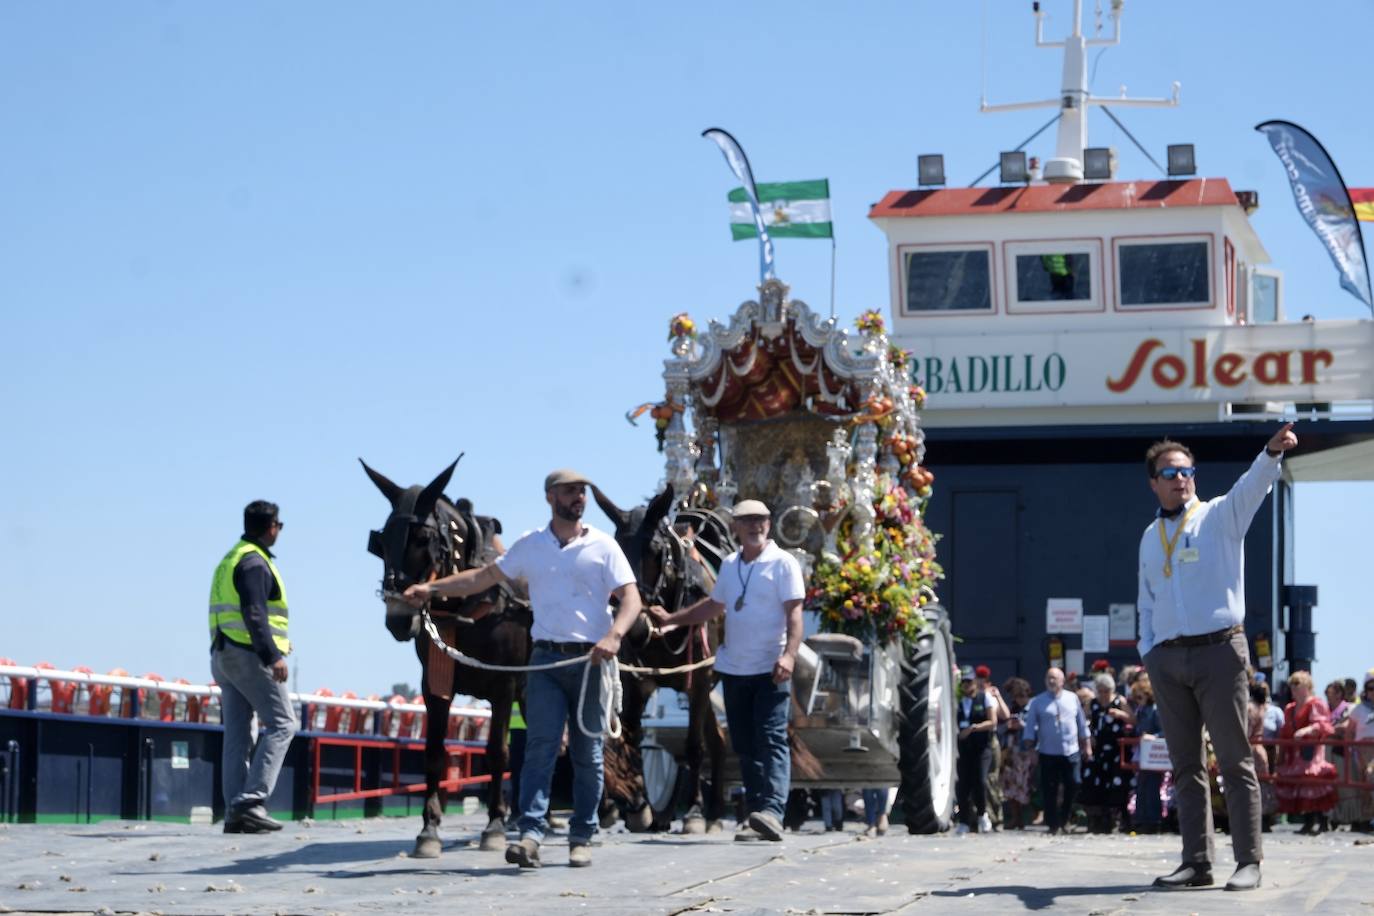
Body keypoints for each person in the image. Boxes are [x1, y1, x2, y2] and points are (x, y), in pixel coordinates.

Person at [403, 469, 642, 869]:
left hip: (591, 661)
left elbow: (631, 599)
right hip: (545, 659)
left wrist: (615, 634)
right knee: (538, 750)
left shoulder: (604, 546)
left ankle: (582, 834)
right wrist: (432, 589)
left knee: (587, 753)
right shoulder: (530, 545)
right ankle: (530, 834)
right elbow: (482, 577)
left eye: (581, 491)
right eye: (569, 492)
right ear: (550, 497)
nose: (577, 498)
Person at [1137, 424, 1296, 892]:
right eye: (1170, 472)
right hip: (1168, 659)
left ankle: (1249, 861)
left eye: (1187, 471)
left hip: (1220, 651)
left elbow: (1253, 486)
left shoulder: (1219, 516)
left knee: (1234, 759)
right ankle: (1196, 861)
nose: (1181, 478)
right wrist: (1150, 651)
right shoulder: (1150, 537)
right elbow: (1147, 599)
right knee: (1185, 765)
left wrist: (1270, 452)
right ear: (1154, 482)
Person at [647, 499, 803, 843]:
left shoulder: (783, 563)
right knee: (746, 744)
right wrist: (673, 620)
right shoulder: (731, 565)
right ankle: (756, 814)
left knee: (772, 738)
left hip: (770, 667)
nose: (755, 526)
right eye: (747, 521)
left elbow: (794, 614)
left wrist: (789, 655)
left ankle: (773, 811)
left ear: (769, 523)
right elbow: (714, 605)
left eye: (760, 520)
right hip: (735, 669)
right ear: (735, 527)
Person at [209, 500, 299, 834]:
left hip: (222, 654)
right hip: (247, 654)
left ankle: (236, 811)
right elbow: (255, 613)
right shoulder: (254, 563)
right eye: (279, 525)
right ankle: (250, 801)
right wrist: (271, 655)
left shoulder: (231, 557)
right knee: (283, 724)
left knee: (237, 733)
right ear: (271, 526)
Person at [1022, 667, 1090, 835]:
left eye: (1055, 678)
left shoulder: (1072, 698)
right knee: (1049, 789)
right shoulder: (1038, 702)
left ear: (1062, 681)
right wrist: (1030, 749)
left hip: (1071, 751)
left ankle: (1065, 819)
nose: (1051, 681)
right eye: (1048, 678)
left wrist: (1086, 745)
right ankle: (1053, 823)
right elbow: (1030, 728)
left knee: (1073, 784)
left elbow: (1081, 724)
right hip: (1048, 752)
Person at [1275, 670, 1337, 834]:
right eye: (1292, 686)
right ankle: (1309, 822)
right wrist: (1280, 755)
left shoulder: (1316, 703)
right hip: (1294, 754)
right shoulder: (1290, 708)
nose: (1294, 689)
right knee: (1302, 786)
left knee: (1315, 783)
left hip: (1312, 752)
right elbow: (1285, 732)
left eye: (1298, 685)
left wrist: (1307, 730)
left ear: (1307, 686)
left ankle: (1323, 821)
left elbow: (1324, 725)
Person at [1080, 673, 1135, 833]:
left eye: (1106, 691)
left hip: (1116, 749)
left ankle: (1115, 819)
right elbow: (1083, 721)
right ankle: (1096, 819)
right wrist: (1088, 737)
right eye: (1101, 691)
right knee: (1095, 781)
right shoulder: (1093, 703)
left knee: (1116, 782)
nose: (1103, 694)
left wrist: (1121, 714)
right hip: (1098, 749)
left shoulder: (1120, 701)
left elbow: (1133, 719)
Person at [954, 666, 997, 833]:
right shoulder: (957, 701)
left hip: (981, 747)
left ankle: (982, 814)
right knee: (963, 784)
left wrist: (973, 728)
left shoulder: (983, 698)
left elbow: (992, 722)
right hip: (963, 748)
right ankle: (964, 821)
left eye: (969, 681)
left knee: (980, 780)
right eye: (963, 682)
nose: (966, 685)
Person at [999, 676, 1035, 830]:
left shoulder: (1033, 708)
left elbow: (1036, 729)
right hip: (1012, 751)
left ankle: (1030, 817)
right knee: (1010, 786)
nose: (1019, 700)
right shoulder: (1012, 709)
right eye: (1016, 697)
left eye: (1022, 696)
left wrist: (1022, 726)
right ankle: (1016, 818)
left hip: (1026, 752)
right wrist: (1008, 726)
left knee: (1026, 785)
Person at [975, 665, 1009, 830]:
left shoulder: (991, 697)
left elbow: (1005, 715)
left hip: (991, 739)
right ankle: (982, 815)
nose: (981, 686)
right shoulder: (974, 698)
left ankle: (998, 817)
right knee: (978, 779)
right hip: (975, 740)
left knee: (992, 778)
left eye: (984, 683)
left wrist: (998, 696)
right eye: (978, 682)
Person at [1130, 675, 1164, 833]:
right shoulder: (1141, 711)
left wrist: (1154, 737)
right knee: (1141, 787)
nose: (1137, 700)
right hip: (1143, 754)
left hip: (1155, 755)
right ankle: (1141, 818)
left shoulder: (1156, 710)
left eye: (1140, 697)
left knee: (1152, 787)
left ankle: (1153, 820)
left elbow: (1165, 731)